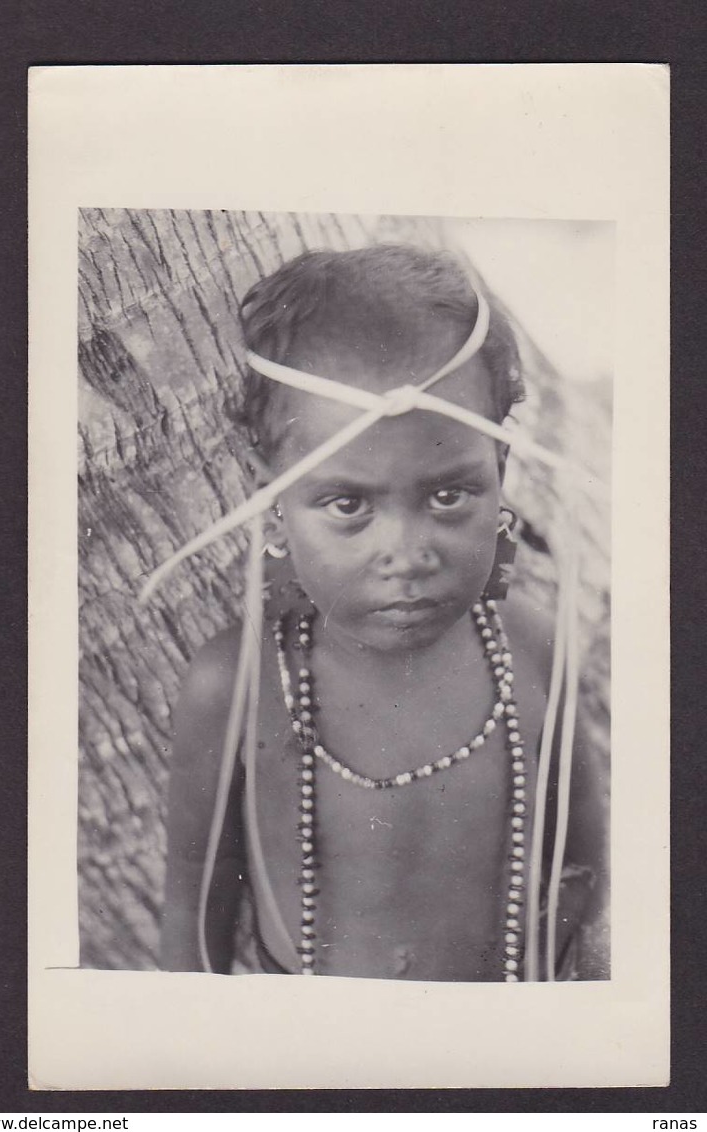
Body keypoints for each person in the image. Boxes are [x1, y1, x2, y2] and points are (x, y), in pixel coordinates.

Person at [159, 244, 608, 981]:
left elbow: (583, 868)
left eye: (448, 495)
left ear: (499, 470)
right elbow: (193, 914)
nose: (405, 553)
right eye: (348, 504)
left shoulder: (532, 648)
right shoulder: (233, 686)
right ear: (272, 502)